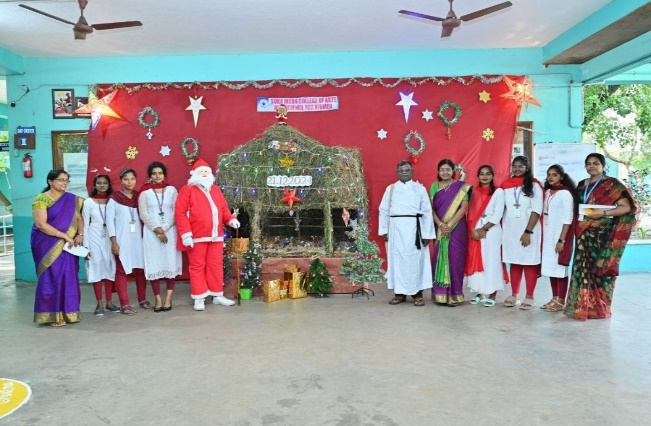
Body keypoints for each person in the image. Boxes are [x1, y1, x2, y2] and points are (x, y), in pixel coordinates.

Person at [564, 153, 638, 320]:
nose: (591, 166)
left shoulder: (613, 185)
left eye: (595, 163)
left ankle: (600, 307)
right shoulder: (582, 185)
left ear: (603, 166)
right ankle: (581, 306)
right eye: (588, 163)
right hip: (583, 233)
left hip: (603, 236)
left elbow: (626, 207)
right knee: (582, 269)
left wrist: (603, 213)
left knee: (601, 270)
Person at [175, 159, 240, 311]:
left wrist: (231, 219)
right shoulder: (187, 190)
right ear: (194, 174)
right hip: (196, 237)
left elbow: (223, 209)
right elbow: (180, 213)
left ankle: (217, 295)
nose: (204, 174)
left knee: (215, 266)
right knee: (197, 266)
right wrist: (186, 234)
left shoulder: (215, 189)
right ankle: (199, 297)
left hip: (216, 236)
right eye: (201, 171)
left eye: (206, 171)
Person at [31, 169, 84, 327]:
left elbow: (79, 218)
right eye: (61, 180)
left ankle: (69, 313)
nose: (64, 183)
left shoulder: (72, 199)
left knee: (68, 277)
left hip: (68, 246)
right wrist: (64, 236)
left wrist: (80, 235)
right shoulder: (41, 199)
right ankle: (51, 316)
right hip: (46, 244)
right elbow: (41, 224)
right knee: (51, 278)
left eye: (66, 180)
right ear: (50, 181)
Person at [379, 160, 435, 307]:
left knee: (415, 261)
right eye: (401, 170)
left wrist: (427, 234)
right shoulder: (391, 189)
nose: (404, 172)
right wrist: (384, 230)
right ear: (397, 172)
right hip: (396, 229)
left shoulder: (420, 189)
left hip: (415, 230)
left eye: (407, 170)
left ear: (412, 171)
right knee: (397, 261)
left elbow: (427, 211)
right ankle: (399, 293)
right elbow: (383, 210)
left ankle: (417, 294)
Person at [501, 155, 543, 310]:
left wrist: (528, 231)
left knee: (529, 262)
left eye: (521, 166)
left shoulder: (534, 185)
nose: (517, 169)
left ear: (527, 168)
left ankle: (530, 296)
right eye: (515, 166)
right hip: (511, 230)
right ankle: (515, 294)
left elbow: (537, 210)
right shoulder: (506, 185)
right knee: (515, 261)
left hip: (529, 230)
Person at [138, 162, 182, 312]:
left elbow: (176, 211)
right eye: (154, 173)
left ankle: (168, 298)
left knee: (171, 263)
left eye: (160, 173)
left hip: (170, 232)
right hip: (151, 234)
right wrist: (157, 229)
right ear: (150, 175)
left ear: (164, 175)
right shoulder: (144, 193)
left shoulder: (172, 191)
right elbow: (143, 214)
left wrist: (164, 228)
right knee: (154, 264)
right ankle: (158, 299)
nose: (157, 176)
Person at [106, 169, 148, 315]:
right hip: (122, 239)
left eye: (132, 179)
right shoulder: (114, 198)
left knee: (140, 270)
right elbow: (109, 222)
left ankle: (142, 299)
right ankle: (125, 304)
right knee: (121, 270)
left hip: (139, 239)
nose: (129, 182)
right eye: (126, 179)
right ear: (121, 181)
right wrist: (114, 242)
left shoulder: (140, 197)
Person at [430, 159, 471, 306]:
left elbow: (464, 207)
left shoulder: (461, 187)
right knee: (439, 258)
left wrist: (449, 224)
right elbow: (431, 209)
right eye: (442, 170)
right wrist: (441, 225)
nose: (445, 172)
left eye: (448, 169)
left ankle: (455, 295)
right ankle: (440, 295)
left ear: (453, 171)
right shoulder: (434, 186)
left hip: (457, 228)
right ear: (438, 171)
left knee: (455, 259)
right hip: (439, 227)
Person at [465, 165, 505, 307]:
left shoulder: (498, 192)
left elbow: (498, 213)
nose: (485, 176)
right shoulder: (473, 192)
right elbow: (469, 213)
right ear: (478, 176)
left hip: (491, 230)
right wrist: (472, 230)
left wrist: (484, 229)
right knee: (479, 259)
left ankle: (493, 293)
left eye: (488, 174)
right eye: (482, 174)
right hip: (475, 228)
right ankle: (479, 292)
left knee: (491, 260)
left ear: (493, 176)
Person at [540, 165, 577, 313]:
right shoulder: (547, 191)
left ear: (561, 177)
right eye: (549, 174)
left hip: (560, 235)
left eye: (554, 175)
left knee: (560, 269)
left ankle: (561, 300)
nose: (550, 177)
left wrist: (562, 240)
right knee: (551, 268)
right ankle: (554, 298)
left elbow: (568, 219)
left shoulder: (565, 194)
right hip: (548, 234)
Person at [82, 174, 118, 316]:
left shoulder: (112, 201)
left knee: (109, 268)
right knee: (96, 269)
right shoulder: (88, 202)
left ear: (109, 185)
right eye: (99, 183)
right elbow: (85, 225)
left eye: (105, 183)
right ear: (94, 185)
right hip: (94, 238)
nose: (102, 185)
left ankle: (109, 302)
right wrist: (86, 247)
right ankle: (99, 303)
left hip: (110, 238)